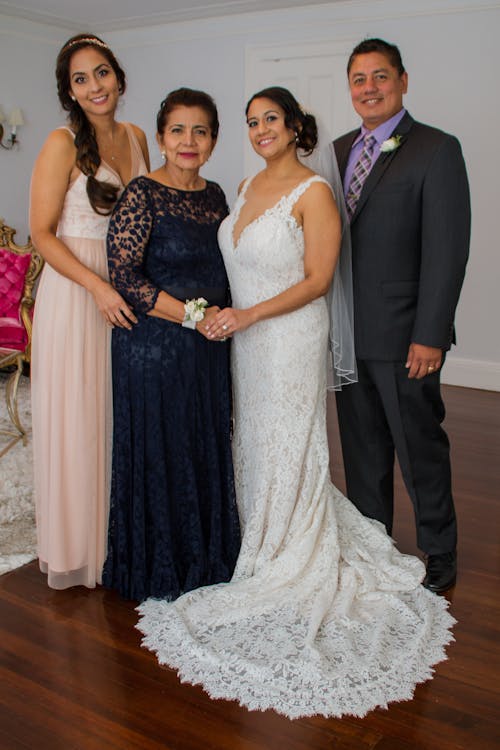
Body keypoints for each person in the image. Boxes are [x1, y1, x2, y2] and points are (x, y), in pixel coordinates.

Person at [136, 87, 455, 720]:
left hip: (287, 337)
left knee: (287, 437)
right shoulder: (243, 187)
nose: (261, 129)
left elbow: (318, 280)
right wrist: (214, 317)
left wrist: (248, 315)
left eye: (271, 119)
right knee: (252, 436)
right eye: (252, 121)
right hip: (243, 341)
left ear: (294, 126)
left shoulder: (314, 192)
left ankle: (289, 550)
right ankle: (258, 536)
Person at [334, 38, 470, 594]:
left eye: (380, 76)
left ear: (403, 81)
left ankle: (440, 551)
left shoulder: (436, 149)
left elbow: (447, 250)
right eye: (359, 79)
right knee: (362, 454)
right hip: (347, 337)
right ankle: (374, 548)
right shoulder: (336, 151)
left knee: (420, 451)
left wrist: (430, 334)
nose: (369, 88)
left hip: (407, 336)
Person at [102, 88, 241, 602]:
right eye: (178, 130)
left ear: (213, 141)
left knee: (202, 445)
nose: (189, 140)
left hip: (207, 349)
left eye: (200, 131)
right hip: (154, 349)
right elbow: (125, 276)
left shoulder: (217, 196)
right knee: (163, 450)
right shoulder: (141, 194)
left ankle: (206, 555)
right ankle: (158, 564)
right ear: (161, 138)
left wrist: (228, 319)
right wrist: (194, 317)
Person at [30, 33, 150, 589]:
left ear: (118, 77)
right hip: (77, 291)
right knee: (80, 415)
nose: (95, 86)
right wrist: (97, 288)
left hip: (128, 287)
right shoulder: (60, 143)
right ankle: (81, 547)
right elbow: (41, 234)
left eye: (101, 72)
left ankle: (122, 536)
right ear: (71, 92)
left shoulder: (138, 136)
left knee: (120, 411)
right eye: (81, 79)